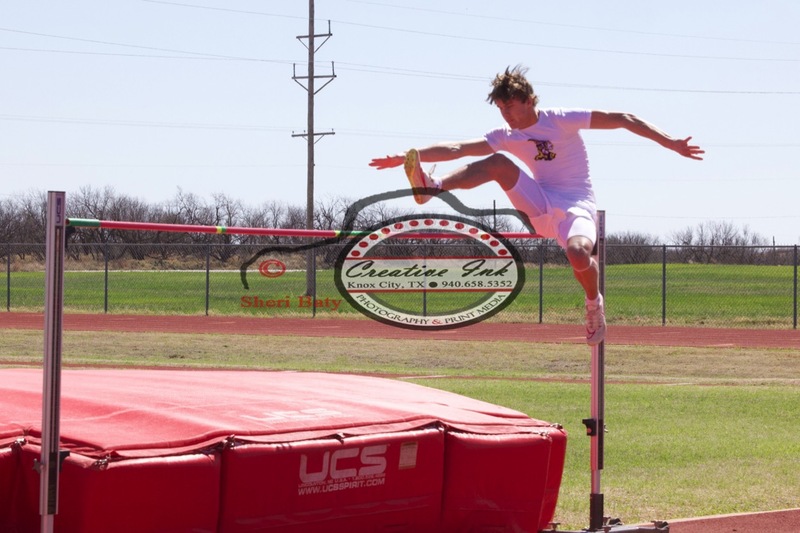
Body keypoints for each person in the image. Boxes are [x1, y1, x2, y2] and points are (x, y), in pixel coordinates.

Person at [369, 65, 704, 345]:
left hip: (576, 206)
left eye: (510, 107)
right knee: (498, 161)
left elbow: (624, 118)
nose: (506, 115)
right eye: (500, 109)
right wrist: (406, 156)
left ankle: (593, 303)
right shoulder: (506, 134)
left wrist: (670, 142)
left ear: (529, 100)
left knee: (576, 253)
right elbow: (458, 148)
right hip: (539, 203)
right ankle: (433, 187)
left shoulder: (561, 119)